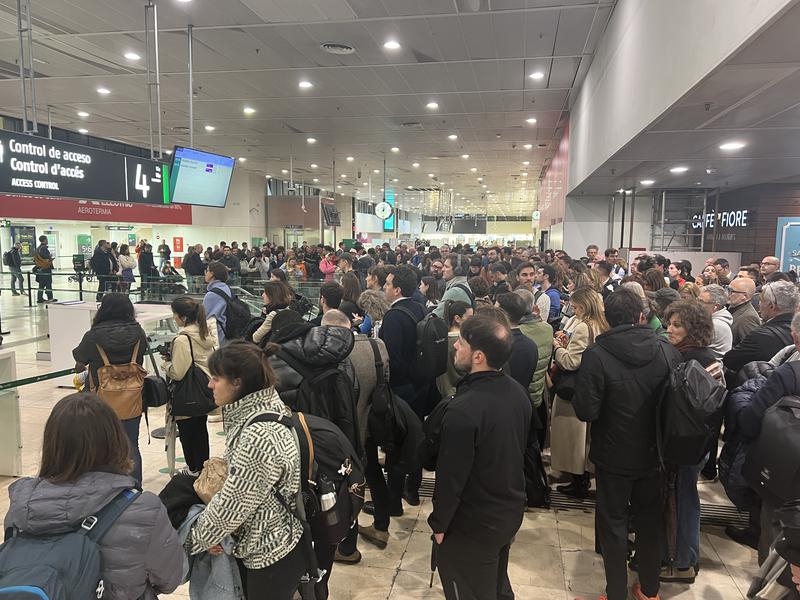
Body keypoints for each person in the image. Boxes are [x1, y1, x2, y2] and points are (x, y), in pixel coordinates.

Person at [3, 392, 183, 598]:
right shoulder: (142, 508)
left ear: (52, 445)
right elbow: (169, 579)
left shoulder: (21, 504)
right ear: (114, 440)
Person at [573, 287, 678, 600]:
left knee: (613, 525)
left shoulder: (597, 354)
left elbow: (586, 410)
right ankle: (649, 590)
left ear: (606, 318)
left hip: (613, 453)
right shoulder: (665, 348)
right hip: (655, 452)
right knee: (649, 522)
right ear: (642, 316)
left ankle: (615, 593)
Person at [187, 342, 305, 600]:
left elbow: (232, 505)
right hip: (273, 541)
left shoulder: (258, 436)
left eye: (216, 379)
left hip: (269, 554)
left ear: (237, 383)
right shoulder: (263, 408)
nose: (210, 385)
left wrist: (192, 539)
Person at [429, 315, 531, 600]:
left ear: (478, 356)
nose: (455, 348)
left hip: (472, 523)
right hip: (507, 512)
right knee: (496, 586)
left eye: (460, 343)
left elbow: (451, 478)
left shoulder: (463, 410)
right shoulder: (517, 393)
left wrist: (439, 525)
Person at [734, 311, 800, 565]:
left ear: (794, 338)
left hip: (783, 479)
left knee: (776, 547)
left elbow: (752, 420)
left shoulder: (789, 374)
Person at [661, 299, 717, 583]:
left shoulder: (690, 360)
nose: (669, 329)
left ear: (693, 329)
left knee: (681, 500)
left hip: (686, 446)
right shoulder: (710, 357)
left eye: (677, 325)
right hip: (696, 445)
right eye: (669, 323)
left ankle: (681, 562)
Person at [72, 293, 148, 483]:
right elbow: (141, 356)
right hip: (133, 397)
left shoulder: (93, 336)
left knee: (98, 446)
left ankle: (104, 488)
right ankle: (134, 489)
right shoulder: (138, 332)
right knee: (131, 445)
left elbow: (79, 357)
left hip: (100, 400)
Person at [550, 287, 609, 498]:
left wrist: (556, 347)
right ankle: (583, 476)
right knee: (586, 438)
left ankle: (578, 480)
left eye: (575, 307)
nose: (573, 311)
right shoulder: (603, 323)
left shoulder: (585, 327)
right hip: (594, 388)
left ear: (583, 306)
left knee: (574, 438)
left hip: (575, 390)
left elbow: (572, 362)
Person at [161, 296, 217, 476]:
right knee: (201, 430)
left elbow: (178, 372)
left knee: (187, 431)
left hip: (188, 392)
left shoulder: (183, 339)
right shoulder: (205, 334)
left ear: (183, 317)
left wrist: (166, 364)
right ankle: (203, 468)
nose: (174, 318)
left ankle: (193, 468)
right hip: (204, 389)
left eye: (175, 315)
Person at [724, 280, 799, 375]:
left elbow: (729, 360)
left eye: (761, 300)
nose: (759, 304)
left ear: (771, 306)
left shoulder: (760, 336)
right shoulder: (796, 329)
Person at [436, 300, 473, 398]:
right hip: (460, 392)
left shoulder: (441, 339)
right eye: (470, 318)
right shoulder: (463, 342)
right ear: (457, 318)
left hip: (444, 391)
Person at [698, 284, 733, 362]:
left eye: (701, 302)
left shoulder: (715, 325)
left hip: (707, 371)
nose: (696, 304)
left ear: (715, 306)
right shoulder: (710, 319)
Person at [203, 261, 233, 346]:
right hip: (227, 331)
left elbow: (205, 317)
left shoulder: (212, 294)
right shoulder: (226, 288)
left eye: (207, 270)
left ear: (212, 273)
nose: (205, 273)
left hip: (217, 335)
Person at [728, 276, 761, 345]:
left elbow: (750, 346)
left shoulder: (748, 318)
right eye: (727, 289)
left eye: (731, 291)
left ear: (744, 296)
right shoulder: (732, 308)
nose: (727, 293)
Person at [535, 263, 562, 330]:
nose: (536, 276)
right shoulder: (537, 290)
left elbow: (552, 317)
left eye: (539, 273)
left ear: (546, 276)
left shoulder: (553, 294)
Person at [34, 234, 56, 303]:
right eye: (46, 239)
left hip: (40, 268)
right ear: (44, 240)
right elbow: (47, 257)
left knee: (41, 284)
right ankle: (50, 298)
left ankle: (39, 298)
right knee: (48, 283)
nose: (47, 241)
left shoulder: (38, 248)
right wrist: (50, 256)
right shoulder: (43, 248)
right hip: (45, 268)